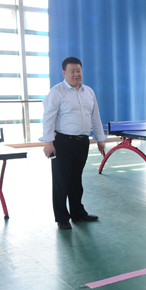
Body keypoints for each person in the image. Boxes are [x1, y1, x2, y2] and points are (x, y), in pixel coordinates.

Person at [40, 57, 106, 230]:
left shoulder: (89, 92)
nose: (76, 74)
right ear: (64, 73)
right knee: (61, 181)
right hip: (62, 142)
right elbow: (48, 118)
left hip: (82, 142)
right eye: (72, 71)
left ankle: (78, 213)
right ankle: (62, 218)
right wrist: (48, 142)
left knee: (76, 180)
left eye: (78, 71)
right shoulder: (57, 92)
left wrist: (100, 139)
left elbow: (95, 117)